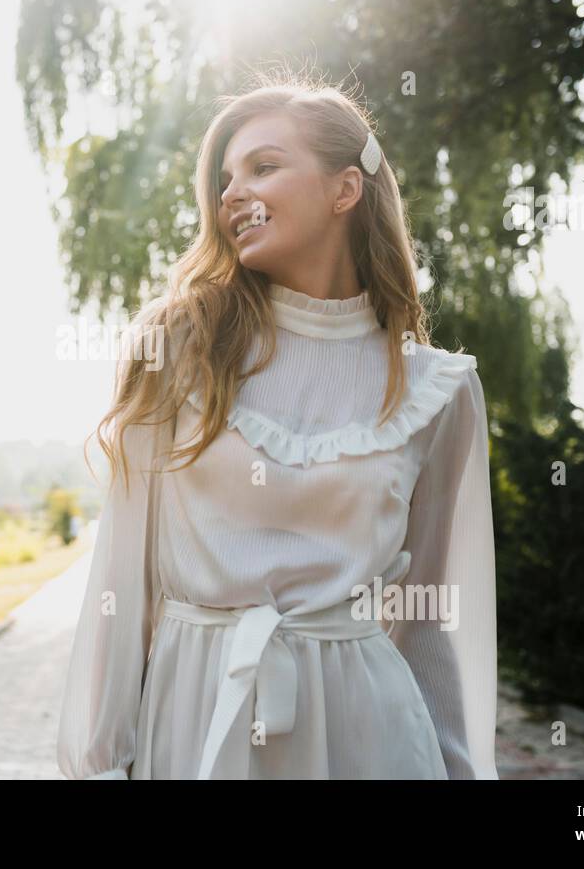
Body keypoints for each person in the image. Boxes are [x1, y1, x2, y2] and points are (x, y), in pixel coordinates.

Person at [56, 72, 498, 779]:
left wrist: (462, 771)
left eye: (263, 166)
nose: (231, 192)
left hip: (371, 736)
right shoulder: (176, 350)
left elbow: (433, 622)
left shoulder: (436, 389)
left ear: (344, 189)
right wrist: (102, 766)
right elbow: (121, 583)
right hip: (196, 720)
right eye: (225, 177)